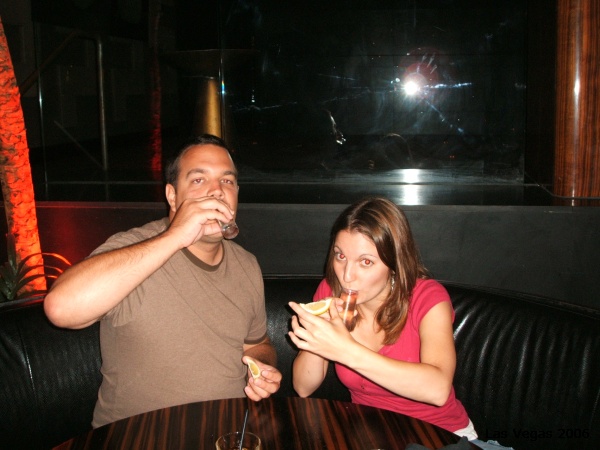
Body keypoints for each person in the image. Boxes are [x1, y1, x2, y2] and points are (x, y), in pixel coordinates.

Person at [44, 134, 282, 427]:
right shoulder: (133, 249)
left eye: (227, 181)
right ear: (172, 196)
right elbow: (61, 309)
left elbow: (256, 345)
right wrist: (176, 236)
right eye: (199, 180)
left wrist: (262, 369)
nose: (217, 191)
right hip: (138, 437)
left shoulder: (246, 265)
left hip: (227, 432)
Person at [288, 197, 512, 450]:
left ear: (394, 263)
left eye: (366, 262)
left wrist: (345, 350)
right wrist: (318, 334)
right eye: (340, 256)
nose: (346, 276)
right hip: (373, 435)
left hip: (439, 437)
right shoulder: (329, 291)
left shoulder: (427, 297)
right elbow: (303, 387)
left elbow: (438, 390)